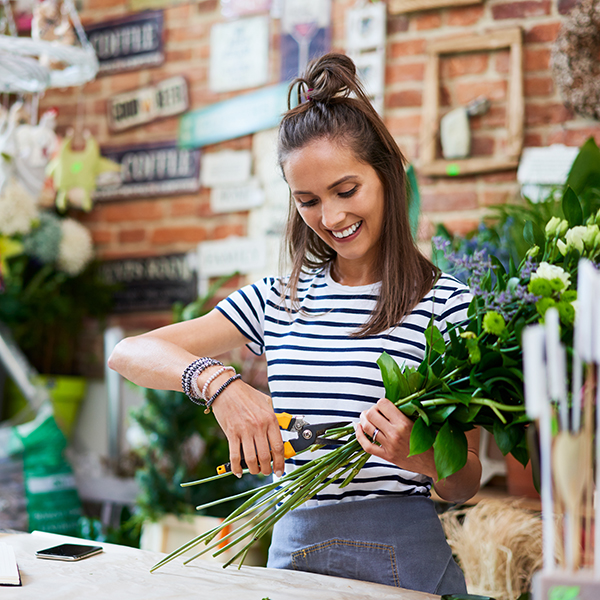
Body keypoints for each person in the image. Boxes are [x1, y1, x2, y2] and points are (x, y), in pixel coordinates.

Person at [108, 53, 481, 594]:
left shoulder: (450, 306)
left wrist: (417, 455)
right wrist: (221, 387)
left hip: (408, 571)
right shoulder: (279, 301)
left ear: (388, 174)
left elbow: (465, 481)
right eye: (308, 200)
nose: (331, 218)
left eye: (346, 190)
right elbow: (128, 352)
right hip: (293, 566)